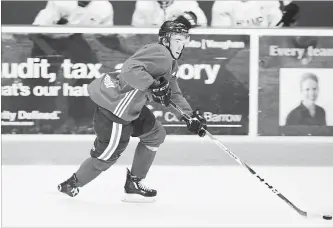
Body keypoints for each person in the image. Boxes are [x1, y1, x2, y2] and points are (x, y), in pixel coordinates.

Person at [57, 21, 208, 202]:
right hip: (116, 112)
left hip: (130, 109)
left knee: (155, 134)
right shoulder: (160, 52)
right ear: (165, 40)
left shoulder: (170, 63)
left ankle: (134, 183)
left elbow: (173, 93)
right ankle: (72, 184)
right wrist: (153, 85)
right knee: (106, 157)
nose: (182, 44)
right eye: (177, 39)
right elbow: (130, 68)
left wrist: (188, 116)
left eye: (185, 40)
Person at [27, 0, 114, 133]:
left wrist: (125, 49)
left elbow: (106, 37)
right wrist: (50, 53)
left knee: (89, 69)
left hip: (73, 38)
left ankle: (80, 119)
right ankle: (39, 120)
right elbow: (34, 33)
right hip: (45, 39)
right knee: (40, 80)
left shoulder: (104, 7)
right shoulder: (60, 2)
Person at [131, 0, 207, 27]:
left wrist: (184, 19)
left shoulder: (186, 2)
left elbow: (202, 23)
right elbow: (136, 31)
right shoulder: (143, 3)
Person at [211, 0, 284, 28]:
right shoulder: (222, 4)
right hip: (234, 50)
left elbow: (276, 32)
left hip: (263, 48)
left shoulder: (270, 2)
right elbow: (223, 37)